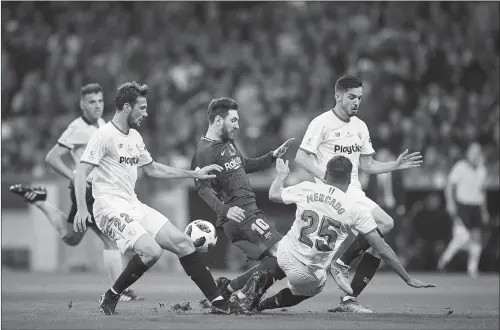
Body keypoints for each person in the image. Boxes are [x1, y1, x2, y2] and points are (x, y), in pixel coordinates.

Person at [73, 82, 241, 315]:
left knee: (183, 243)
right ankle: (112, 295)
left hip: (132, 204)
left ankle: (218, 301)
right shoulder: (104, 136)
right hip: (108, 207)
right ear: (126, 107)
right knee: (151, 251)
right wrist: (82, 208)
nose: (146, 113)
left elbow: (152, 169)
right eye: (141, 108)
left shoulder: (134, 137)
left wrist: (193, 173)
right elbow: (81, 172)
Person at [295, 75, 423, 312]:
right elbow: (301, 157)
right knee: (386, 223)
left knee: (377, 242)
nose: (356, 102)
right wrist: (325, 177)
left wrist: (394, 165)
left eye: (360, 98)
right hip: (333, 192)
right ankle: (342, 264)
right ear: (338, 96)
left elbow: (367, 165)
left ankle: (348, 299)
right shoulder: (321, 123)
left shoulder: (360, 127)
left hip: (354, 191)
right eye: (352, 97)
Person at [241, 156, 435, 313]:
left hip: (285, 254)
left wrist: (282, 175)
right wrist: (407, 278)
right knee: (314, 288)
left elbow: (273, 195)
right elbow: (381, 248)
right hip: (308, 274)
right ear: (350, 180)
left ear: (325, 174)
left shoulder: (308, 187)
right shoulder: (355, 208)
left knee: (280, 250)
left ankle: (255, 286)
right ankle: (263, 305)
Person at [9, 83, 140, 301]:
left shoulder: (100, 123)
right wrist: (74, 176)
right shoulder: (77, 127)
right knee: (111, 238)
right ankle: (120, 291)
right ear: (82, 105)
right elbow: (51, 157)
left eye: (99, 100)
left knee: (70, 237)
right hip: (86, 191)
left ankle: (41, 201)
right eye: (92, 102)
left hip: (95, 191)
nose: (97, 105)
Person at [191, 97, 294, 300]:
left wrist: (272, 156)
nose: (238, 126)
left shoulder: (228, 143)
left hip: (248, 213)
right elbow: (202, 188)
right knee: (286, 255)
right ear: (218, 120)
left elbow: (244, 164)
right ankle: (243, 298)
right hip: (239, 215)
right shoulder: (204, 151)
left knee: (278, 262)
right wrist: (225, 209)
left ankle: (228, 290)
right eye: (234, 120)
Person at [438, 142, 490, 277]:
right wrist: (450, 203)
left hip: (476, 206)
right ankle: (445, 259)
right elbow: (450, 185)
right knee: (462, 236)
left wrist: (484, 210)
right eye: (473, 152)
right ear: (468, 153)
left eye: (478, 152)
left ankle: (472, 269)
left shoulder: (482, 170)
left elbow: (482, 191)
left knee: (476, 238)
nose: (475, 155)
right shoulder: (460, 167)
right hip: (463, 206)